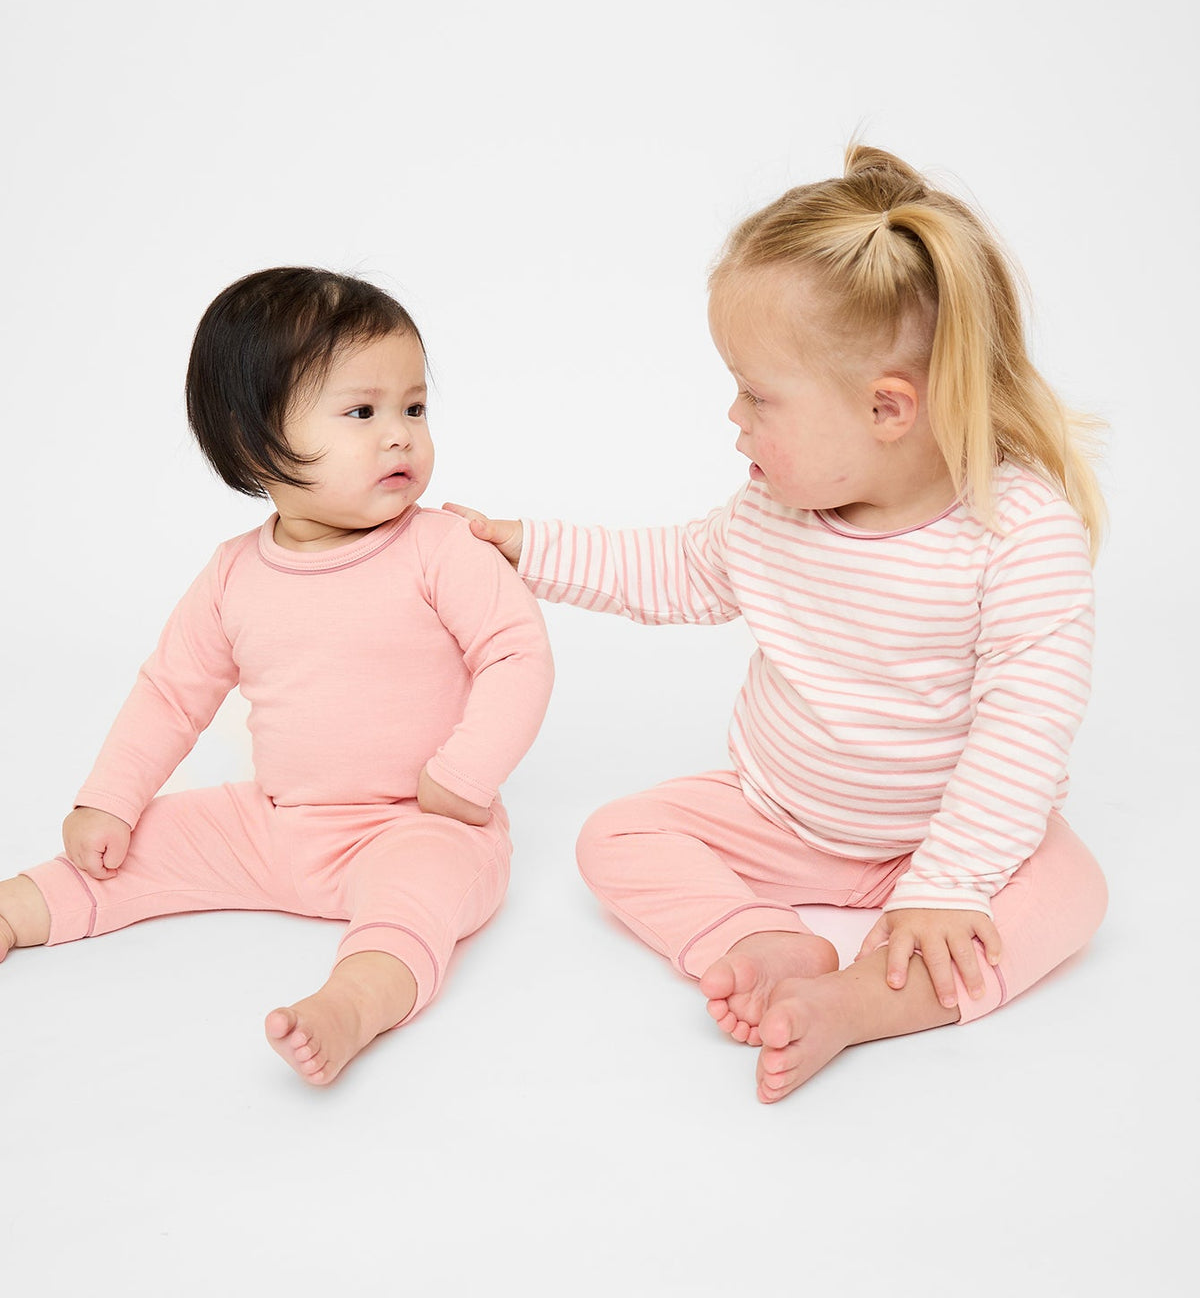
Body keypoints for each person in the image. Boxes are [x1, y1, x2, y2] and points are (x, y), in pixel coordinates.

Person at [449, 145, 1108, 1103]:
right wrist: (525, 547)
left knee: (1072, 893)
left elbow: (1025, 731)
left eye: (758, 394)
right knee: (615, 838)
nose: (733, 416)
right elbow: (670, 570)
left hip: (946, 832)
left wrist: (948, 881)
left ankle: (861, 1003)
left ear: (888, 407)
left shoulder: (1015, 535)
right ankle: (762, 939)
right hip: (779, 817)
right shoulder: (772, 514)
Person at [0, 267, 553, 1085]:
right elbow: (171, 692)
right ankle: (20, 908)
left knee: (424, 889)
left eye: (414, 407)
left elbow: (518, 653)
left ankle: (356, 1000)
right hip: (276, 823)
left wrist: (464, 776)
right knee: (142, 842)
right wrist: (107, 798)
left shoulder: (442, 549)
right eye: (363, 412)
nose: (400, 433)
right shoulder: (232, 575)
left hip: (417, 822)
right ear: (253, 439)